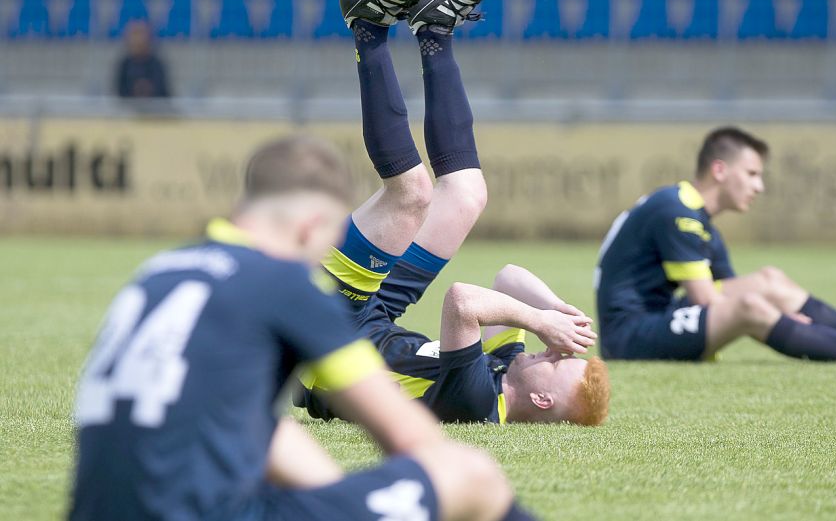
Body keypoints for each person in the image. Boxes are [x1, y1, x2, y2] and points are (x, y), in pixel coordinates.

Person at [70, 132, 534, 520]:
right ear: (311, 227)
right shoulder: (283, 283)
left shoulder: (160, 271)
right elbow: (411, 439)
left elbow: (258, 432)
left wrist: (335, 496)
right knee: (471, 475)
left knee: (271, 432)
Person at [295, 0, 609, 426]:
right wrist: (556, 311)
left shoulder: (476, 403)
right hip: (376, 318)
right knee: (467, 195)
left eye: (558, 364)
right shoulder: (506, 372)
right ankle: (435, 30)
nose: (551, 353)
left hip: (328, 337)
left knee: (412, 195)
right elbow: (508, 278)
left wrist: (541, 323)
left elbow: (462, 301)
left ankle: (368, 27)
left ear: (542, 401)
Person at [595, 126, 836, 364]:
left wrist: (783, 313)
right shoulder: (677, 213)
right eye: (752, 173)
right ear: (720, 170)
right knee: (750, 308)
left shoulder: (699, 220)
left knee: (768, 280)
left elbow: (728, 287)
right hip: (629, 336)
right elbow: (707, 300)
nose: (760, 186)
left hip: (659, 317)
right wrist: (782, 319)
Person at [115, 20, 171, 99]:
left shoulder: (157, 64)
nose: (138, 39)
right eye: (134, 34)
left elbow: (163, 93)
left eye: (141, 34)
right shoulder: (124, 65)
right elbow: (119, 93)